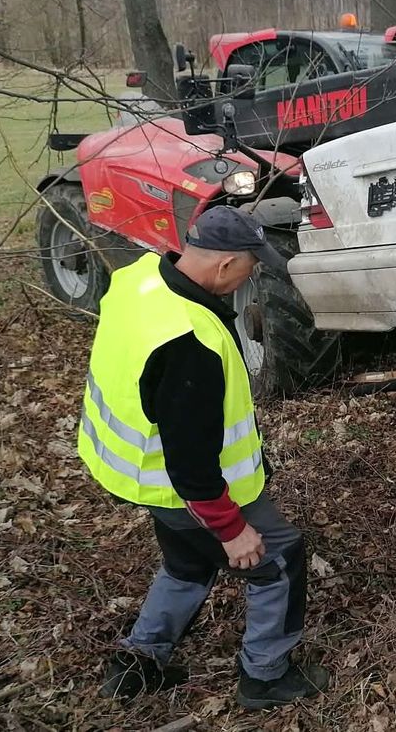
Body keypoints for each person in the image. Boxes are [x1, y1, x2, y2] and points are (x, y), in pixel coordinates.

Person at [77, 206, 328, 709]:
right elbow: (192, 464)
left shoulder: (138, 277)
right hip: (182, 487)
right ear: (224, 266)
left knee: (187, 563)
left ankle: (136, 666)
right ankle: (265, 677)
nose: (248, 278)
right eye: (248, 269)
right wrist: (233, 531)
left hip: (137, 474)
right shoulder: (191, 345)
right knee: (277, 559)